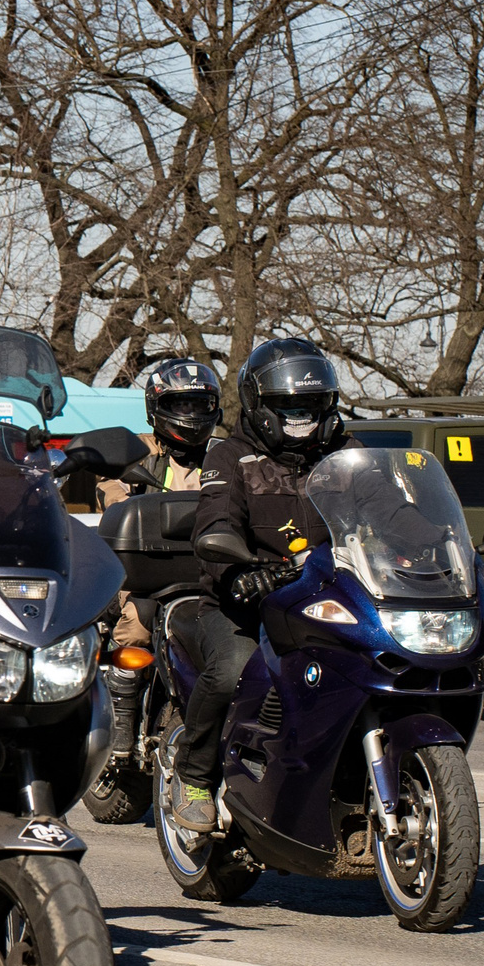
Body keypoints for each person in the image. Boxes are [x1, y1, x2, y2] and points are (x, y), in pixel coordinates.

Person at [165, 339, 350, 832]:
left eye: (310, 405)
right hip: (240, 603)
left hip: (326, 598)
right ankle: (194, 776)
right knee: (231, 673)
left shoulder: (348, 456)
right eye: (287, 404)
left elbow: (393, 514)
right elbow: (214, 523)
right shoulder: (230, 457)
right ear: (259, 405)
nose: (300, 415)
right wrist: (242, 570)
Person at [95, 358, 221, 763]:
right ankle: (120, 733)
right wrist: (123, 496)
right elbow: (108, 484)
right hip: (149, 570)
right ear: (157, 407)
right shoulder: (140, 449)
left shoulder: (225, 455)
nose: (191, 416)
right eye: (181, 406)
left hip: (209, 570)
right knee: (136, 628)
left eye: (200, 406)